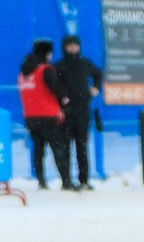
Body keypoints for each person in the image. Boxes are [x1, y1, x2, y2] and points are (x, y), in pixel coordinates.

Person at [46, 33, 104, 190]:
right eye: (70, 45)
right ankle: (66, 180)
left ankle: (84, 180)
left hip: (83, 112)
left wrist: (95, 88)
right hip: (66, 113)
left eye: (76, 45)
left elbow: (99, 74)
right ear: (64, 47)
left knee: (82, 148)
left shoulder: (85, 63)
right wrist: (60, 102)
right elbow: (52, 86)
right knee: (65, 148)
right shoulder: (58, 66)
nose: (73, 48)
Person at [18, 38, 67, 190]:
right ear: (46, 54)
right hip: (48, 116)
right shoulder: (45, 70)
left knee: (38, 151)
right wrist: (65, 100)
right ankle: (66, 181)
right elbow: (57, 90)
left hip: (31, 117)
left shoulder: (23, 73)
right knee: (58, 149)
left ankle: (41, 181)